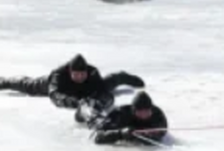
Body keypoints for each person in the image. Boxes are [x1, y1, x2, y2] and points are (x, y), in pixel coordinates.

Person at [0, 53, 145, 111]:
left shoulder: (92, 73)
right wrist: (75, 103)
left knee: (110, 83)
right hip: (58, 88)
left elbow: (105, 89)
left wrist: (99, 102)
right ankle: (4, 81)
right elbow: (55, 96)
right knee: (28, 86)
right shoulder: (59, 75)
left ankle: (128, 77)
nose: (80, 77)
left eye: (83, 74)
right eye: (76, 74)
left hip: (84, 91)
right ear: (70, 72)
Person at [84, 91, 168, 146]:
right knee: (93, 116)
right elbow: (96, 137)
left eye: (147, 111)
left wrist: (146, 135)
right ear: (134, 111)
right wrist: (120, 134)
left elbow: (161, 133)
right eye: (140, 112)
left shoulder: (157, 114)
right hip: (96, 119)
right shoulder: (121, 114)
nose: (144, 115)